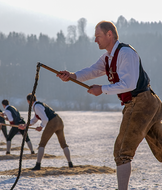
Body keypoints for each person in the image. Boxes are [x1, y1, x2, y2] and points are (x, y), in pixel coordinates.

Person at [57, 21, 162, 190]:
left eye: (98, 36)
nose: (95, 40)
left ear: (109, 35)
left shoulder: (126, 53)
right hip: (145, 103)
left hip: (141, 103)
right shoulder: (108, 57)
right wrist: (72, 76)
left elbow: (129, 84)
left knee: (122, 152)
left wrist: (102, 89)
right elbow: (93, 70)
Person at [18, 93, 73, 170]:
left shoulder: (37, 106)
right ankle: (70, 163)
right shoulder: (38, 105)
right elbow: (34, 119)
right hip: (59, 121)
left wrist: (41, 127)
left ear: (28, 101)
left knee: (42, 144)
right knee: (63, 143)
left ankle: (38, 165)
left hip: (52, 122)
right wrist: (25, 125)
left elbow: (45, 119)